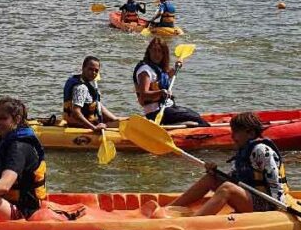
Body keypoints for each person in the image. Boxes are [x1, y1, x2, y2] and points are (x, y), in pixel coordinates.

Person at [147, 112, 287, 217]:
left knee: (227, 188)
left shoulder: (262, 151)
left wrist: (278, 210)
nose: (232, 136)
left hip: (266, 205)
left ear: (250, 133)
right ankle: (168, 209)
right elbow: (235, 178)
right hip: (250, 197)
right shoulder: (244, 150)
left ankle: (194, 221)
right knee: (211, 178)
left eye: (236, 132)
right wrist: (215, 172)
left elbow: (275, 183)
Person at [133, 38, 209, 127]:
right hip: (156, 112)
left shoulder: (156, 68)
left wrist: (176, 68)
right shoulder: (145, 71)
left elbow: (162, 78)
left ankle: (176, 124)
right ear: (149, 51)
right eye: (154, 50)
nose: (156, 54)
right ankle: (179, 125)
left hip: (167, 108)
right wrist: (161, 92)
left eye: (160, 51)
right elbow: (144, 94)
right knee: (201, 122)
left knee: (196, 116)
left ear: (164, 54)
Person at [63, 56, 120, 130]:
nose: (93, 73)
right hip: (81, 126)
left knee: (120, 121)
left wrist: (114, 119)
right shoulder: (81, 88)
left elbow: (96, 103)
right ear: (83, 68)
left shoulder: (86, 83)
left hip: (87, 123)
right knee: (120, 125)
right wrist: (94, 128)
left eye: (96, 70)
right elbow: (76, 112)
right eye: (90, 69)